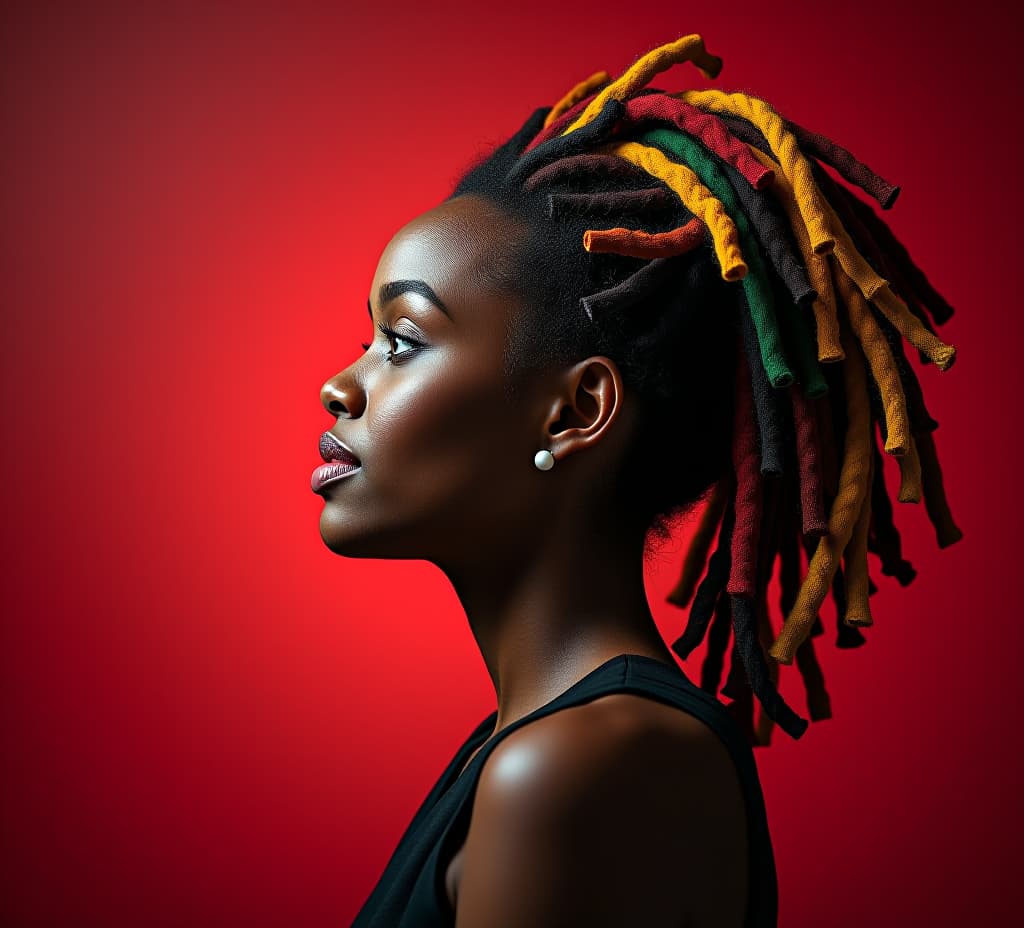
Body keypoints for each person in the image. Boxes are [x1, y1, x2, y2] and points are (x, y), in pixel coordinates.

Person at [313, 32, 961, 927]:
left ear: (577, 413)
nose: (339, 385)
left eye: (402, 342)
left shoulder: (586, 766)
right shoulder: (531, 748)